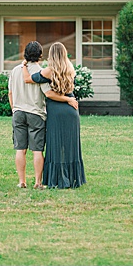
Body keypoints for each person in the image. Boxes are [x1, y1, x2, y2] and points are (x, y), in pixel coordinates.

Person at [25, 42, 85, 189]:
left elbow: (28, 79)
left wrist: (24, 65)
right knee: (71, 146)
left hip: (56, 112)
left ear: (51, 54)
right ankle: (72, 179)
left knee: (56, 145)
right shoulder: (71, 69)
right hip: (71, 110)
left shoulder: (48, 71)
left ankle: (57, 179)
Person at [9, 41, 47, 188]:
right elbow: (47, 93)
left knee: (20, 149)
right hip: (36, 113)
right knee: (37, 150)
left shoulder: (15, 70)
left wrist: (14, 109)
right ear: (40, 55)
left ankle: (22, 181)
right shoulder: (41, 71)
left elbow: (10, 92)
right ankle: (38, 182)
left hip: (18, 112)